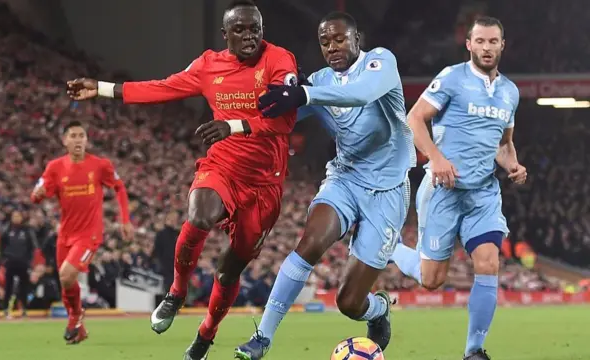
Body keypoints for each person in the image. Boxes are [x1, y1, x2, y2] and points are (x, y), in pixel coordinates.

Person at [66, 1, 298, 358]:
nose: (250, 36)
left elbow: (284, 121)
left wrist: (233, 125)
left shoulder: (280, 60)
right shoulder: (209, 65)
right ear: (225, 35)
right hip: (223, 166)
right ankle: (176, 291)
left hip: (265, 183)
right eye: (240, 30)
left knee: (226, 274)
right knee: (200, 213)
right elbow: (161, 87)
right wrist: (100, 87)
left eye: (255, 29)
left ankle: (205, 335)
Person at [234, 11, 415, 360]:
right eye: (325, 41)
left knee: (348, 302)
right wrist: (233, 122)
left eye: (339, 38)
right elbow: (278, 116)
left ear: (356, 39)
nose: (332, 46)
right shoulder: (317, 81)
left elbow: (362, 95)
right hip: (345, 179)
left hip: (388, 192)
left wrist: (305, 94)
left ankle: (377, 310)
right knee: (310, 243)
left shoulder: (380, 63)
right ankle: (262, 339)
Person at [389, 16, 527, 360]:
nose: (486, 47)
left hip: (483, 194)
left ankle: (473, 351)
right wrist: (434, 158)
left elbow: (504, 144)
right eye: (479, 41)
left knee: (488, 262)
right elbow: (415, 118)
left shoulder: (510, 92)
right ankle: (388, 246)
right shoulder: (452, 78)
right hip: (444, 191)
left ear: (502, 45)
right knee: (431, 279)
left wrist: (513, 165)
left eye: (492, 41)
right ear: (469, 44)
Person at [31, 120, 133, 345]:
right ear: (64, 140)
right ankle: (79, 328)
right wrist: (37, 194)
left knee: (67, 274)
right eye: (73, 136)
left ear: (87, 140)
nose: (78, 140)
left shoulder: (99, 165)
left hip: (90, 234)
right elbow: (39, 194)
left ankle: (75, 316)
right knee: (65, 281)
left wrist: (125, 220)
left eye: (81, 136)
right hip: (65, 234)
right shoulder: (55, 167)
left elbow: (119, 187)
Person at [0, 210, 36, 318]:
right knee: (8, 288)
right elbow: (1, 246)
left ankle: (24, 309)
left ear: (21, 217)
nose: (16, 218)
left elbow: (32, 247)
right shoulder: (6, 229)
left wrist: (29, 261)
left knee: (23, 288)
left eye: (18, 216)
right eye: (14, 216)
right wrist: (4, 259)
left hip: (23, 263)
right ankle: (6, 309)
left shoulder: (27, 231)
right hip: (10, 263)